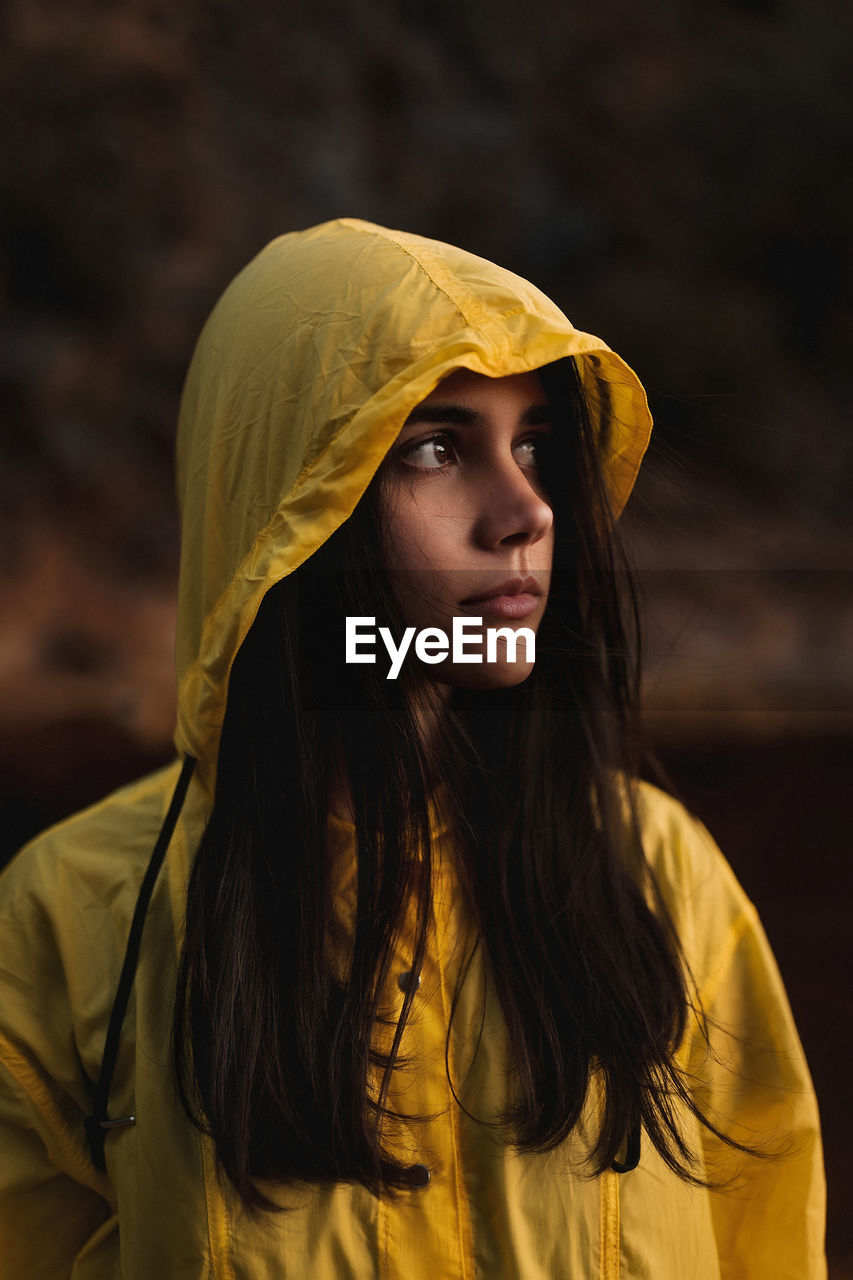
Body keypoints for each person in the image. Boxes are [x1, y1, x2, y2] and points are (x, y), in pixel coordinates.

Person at [0, 218, 825, 1278]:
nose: (525, 510)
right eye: (436, 446)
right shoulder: (69, 925)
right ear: (286, 513)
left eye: (535, 443)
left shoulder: (664, 879)